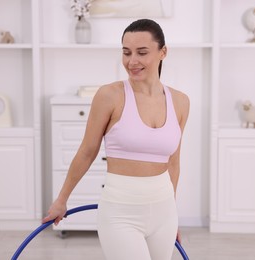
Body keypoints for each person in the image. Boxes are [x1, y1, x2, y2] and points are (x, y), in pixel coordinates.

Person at [43, 18, 190, 260]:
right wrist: (62, 199)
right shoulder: (109, 96)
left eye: (142, 52)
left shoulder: (181, 101)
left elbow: (173, 162)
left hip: (163, 211)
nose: (132, 61)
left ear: (163, 52)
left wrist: (173, 213)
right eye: (126, 52)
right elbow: (87, 151)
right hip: (121, 211)